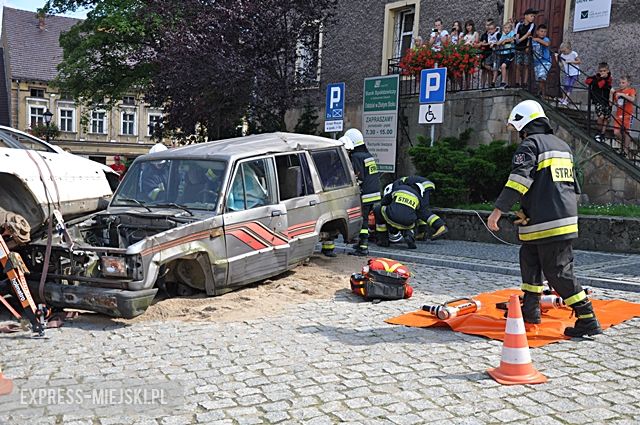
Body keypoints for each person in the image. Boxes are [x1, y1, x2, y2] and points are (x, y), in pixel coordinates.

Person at [487, 99, 602, 338]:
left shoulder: (530, 145)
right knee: (529, 259)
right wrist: (531, 209)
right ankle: (531, 309)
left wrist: (498, 211)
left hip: (547, 221)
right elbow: (570, 186)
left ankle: (587, 317)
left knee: (558, 272)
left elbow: (519, 180)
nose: (517, 133)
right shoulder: (562, 145)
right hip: (551, 218)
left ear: (523, 124)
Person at [374, 175, 447, 249]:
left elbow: (384, 202)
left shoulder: (396, 187)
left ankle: (383, 240)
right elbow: (424, 213)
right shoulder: (417, 196)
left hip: (393, 218)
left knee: (378, 210)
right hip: (408, 224)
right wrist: (438, 225)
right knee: (416, 212)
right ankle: (410, 234)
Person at [341, 128, 381, 257]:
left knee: (362, 220)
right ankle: (360, 244)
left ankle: (363, 247)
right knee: (363, 218)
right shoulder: (367, 155)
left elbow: (358, 177)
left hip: (365, 194)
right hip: (373, 193)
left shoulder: (357, 157)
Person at [585, 62, 613, 142]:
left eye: (604, 71)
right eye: (601, 71)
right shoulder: (596, 77)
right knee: (601, 116)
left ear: (607, 71)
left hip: (607, 100)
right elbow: (587, 81)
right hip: (598, 100)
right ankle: (599, 132)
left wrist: (599, 80)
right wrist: (597, 80)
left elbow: (601, 84)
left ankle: (602, 134)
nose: (602, 73)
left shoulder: (608, 79)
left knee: (606, 118)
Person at [612, 75, 637, 157]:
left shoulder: (631, 90)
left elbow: (632, 99)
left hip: (628, 115)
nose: (621, 84)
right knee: (616, 132)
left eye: (623, 83)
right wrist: (612, 94)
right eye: (620, 82)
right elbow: (614, 103)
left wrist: (623, 95)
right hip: (619, 115)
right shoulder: (618, 92)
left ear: (628, 83)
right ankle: (624, 144)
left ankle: (625, 150)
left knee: (627, 132)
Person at [514, 8, 537, 88]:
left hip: (526, 47)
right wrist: (517, 40)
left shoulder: (532, 25)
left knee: (526, 65)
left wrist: (520, 40)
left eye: (534, 16)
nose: (533, 18)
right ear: (526, 16)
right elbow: (516, 34)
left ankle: (525, 82)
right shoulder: (519, 24)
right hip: (518, 48)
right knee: (517, 65)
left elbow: (528, 34)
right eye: (531, 16)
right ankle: (517, 82)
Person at [479, 21, 501, 88]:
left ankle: (493, 82)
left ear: (495, 29)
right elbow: (487, 42)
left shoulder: (498, 34)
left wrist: (495, 44)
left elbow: (500, 41)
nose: (490, 30)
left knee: (495, 65)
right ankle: (496, 71)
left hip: (497, 52)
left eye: (492, 29)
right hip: (491, 52)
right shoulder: (488, 35)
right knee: (484, 64)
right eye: (489, 29)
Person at [531, 24, 551, 97]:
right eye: (541, 31)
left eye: (545, 32)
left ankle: (543, 95)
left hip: (545, 61)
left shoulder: (546, 39)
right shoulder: (533, 41)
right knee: (538, 79)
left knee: (542, 77)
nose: (543, 33)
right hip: (536, 62)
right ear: (537, 32)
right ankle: (540, 92)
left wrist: (537, 39)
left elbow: (547, 44)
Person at [495, 21, 516, 88]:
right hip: (503, 54)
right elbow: (498, 43)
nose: (507, 29)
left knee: (503, 66)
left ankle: (503, 82)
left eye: (508, 28)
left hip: (510, 53)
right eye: (505, 28)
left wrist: (505, 41)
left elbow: (513, 39)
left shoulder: (512, 33)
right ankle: (506, 83)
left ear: (511, 29)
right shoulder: (503, 35)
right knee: (504, 68)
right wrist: (502, 41)